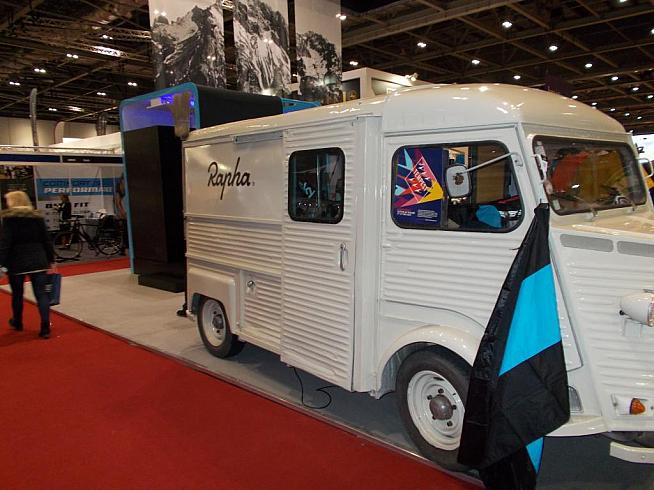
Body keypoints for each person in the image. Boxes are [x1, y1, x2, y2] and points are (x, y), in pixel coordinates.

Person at [0, 191, 55, 339]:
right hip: (39, 259)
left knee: (17, 294)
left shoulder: (9, 219)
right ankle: (45, 327)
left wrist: (1, 262)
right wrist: (51, 259)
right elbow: (46, 240)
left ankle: (17, 321)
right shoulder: (37, 217)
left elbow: (5, 243)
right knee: (41, 294)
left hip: (16, 261)